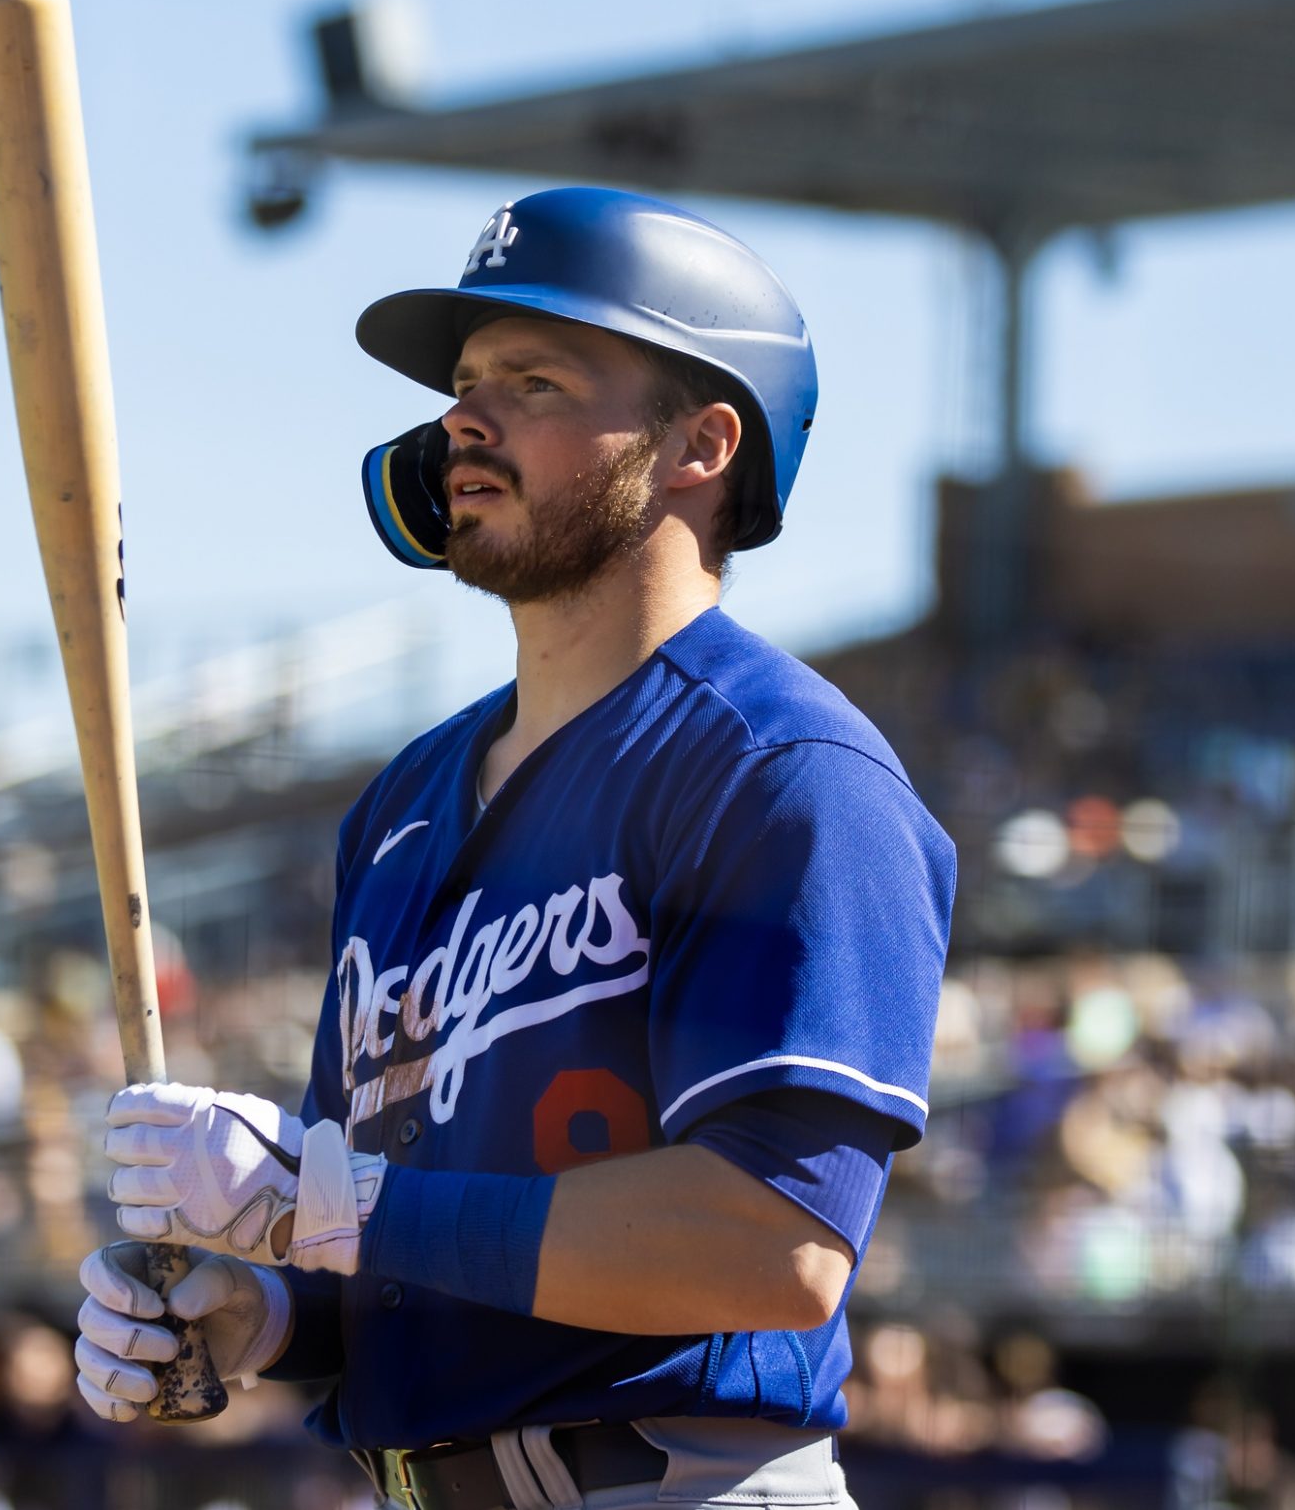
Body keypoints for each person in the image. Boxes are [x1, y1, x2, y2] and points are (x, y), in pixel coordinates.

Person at [71, 189, 957, 1509]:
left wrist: (320, 1204)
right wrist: (253, 1315)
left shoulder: (779, 769)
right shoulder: (401, 803)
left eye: (534, 378)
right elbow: (385, 1242)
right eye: (466, 384)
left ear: (700, 443)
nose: (463, 420)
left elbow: (775, 1245)